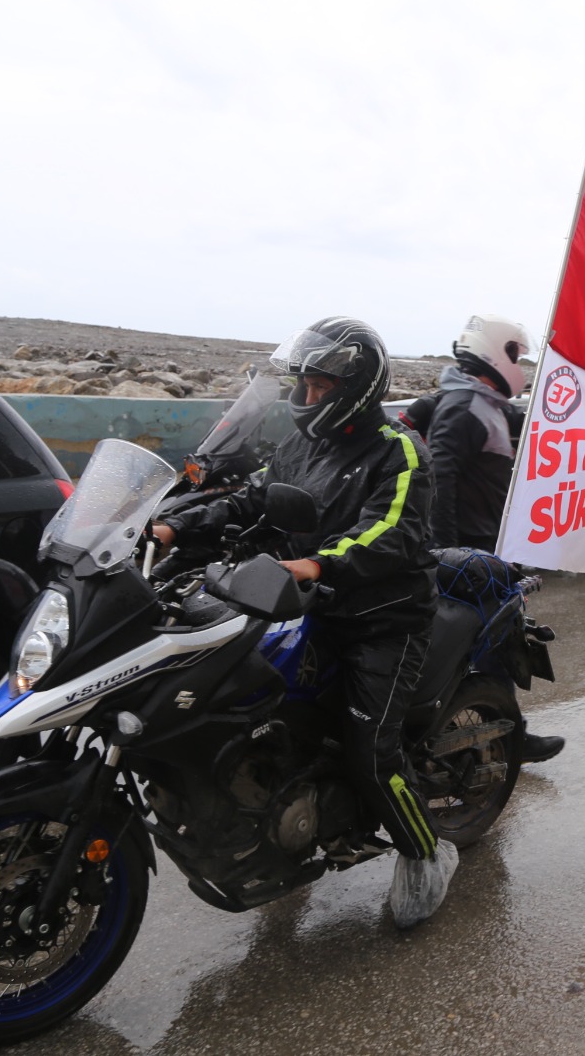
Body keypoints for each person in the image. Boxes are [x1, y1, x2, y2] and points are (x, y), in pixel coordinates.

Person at [152, 316, 457, 929]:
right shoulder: (300, 446)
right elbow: (251, 498)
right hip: (298, 606)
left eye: (320, 387)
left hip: (380, 618)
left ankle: (425, 852)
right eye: (305, 385)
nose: (308, 397)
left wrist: (316, 562)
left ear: (356, 387)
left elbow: (390, 531)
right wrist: (172, 526)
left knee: (371, 745)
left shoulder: (398, 450)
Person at [425, 313, 564, 763]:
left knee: (498, 644)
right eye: (517, 356)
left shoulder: (484, 402)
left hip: (489, 548)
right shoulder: (464, 406)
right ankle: (507, 738)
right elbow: (440, 480)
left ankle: (505, 733)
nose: (521, 365)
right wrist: (447, 554)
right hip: (469, 554)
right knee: (487, 649)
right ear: (496, 352)